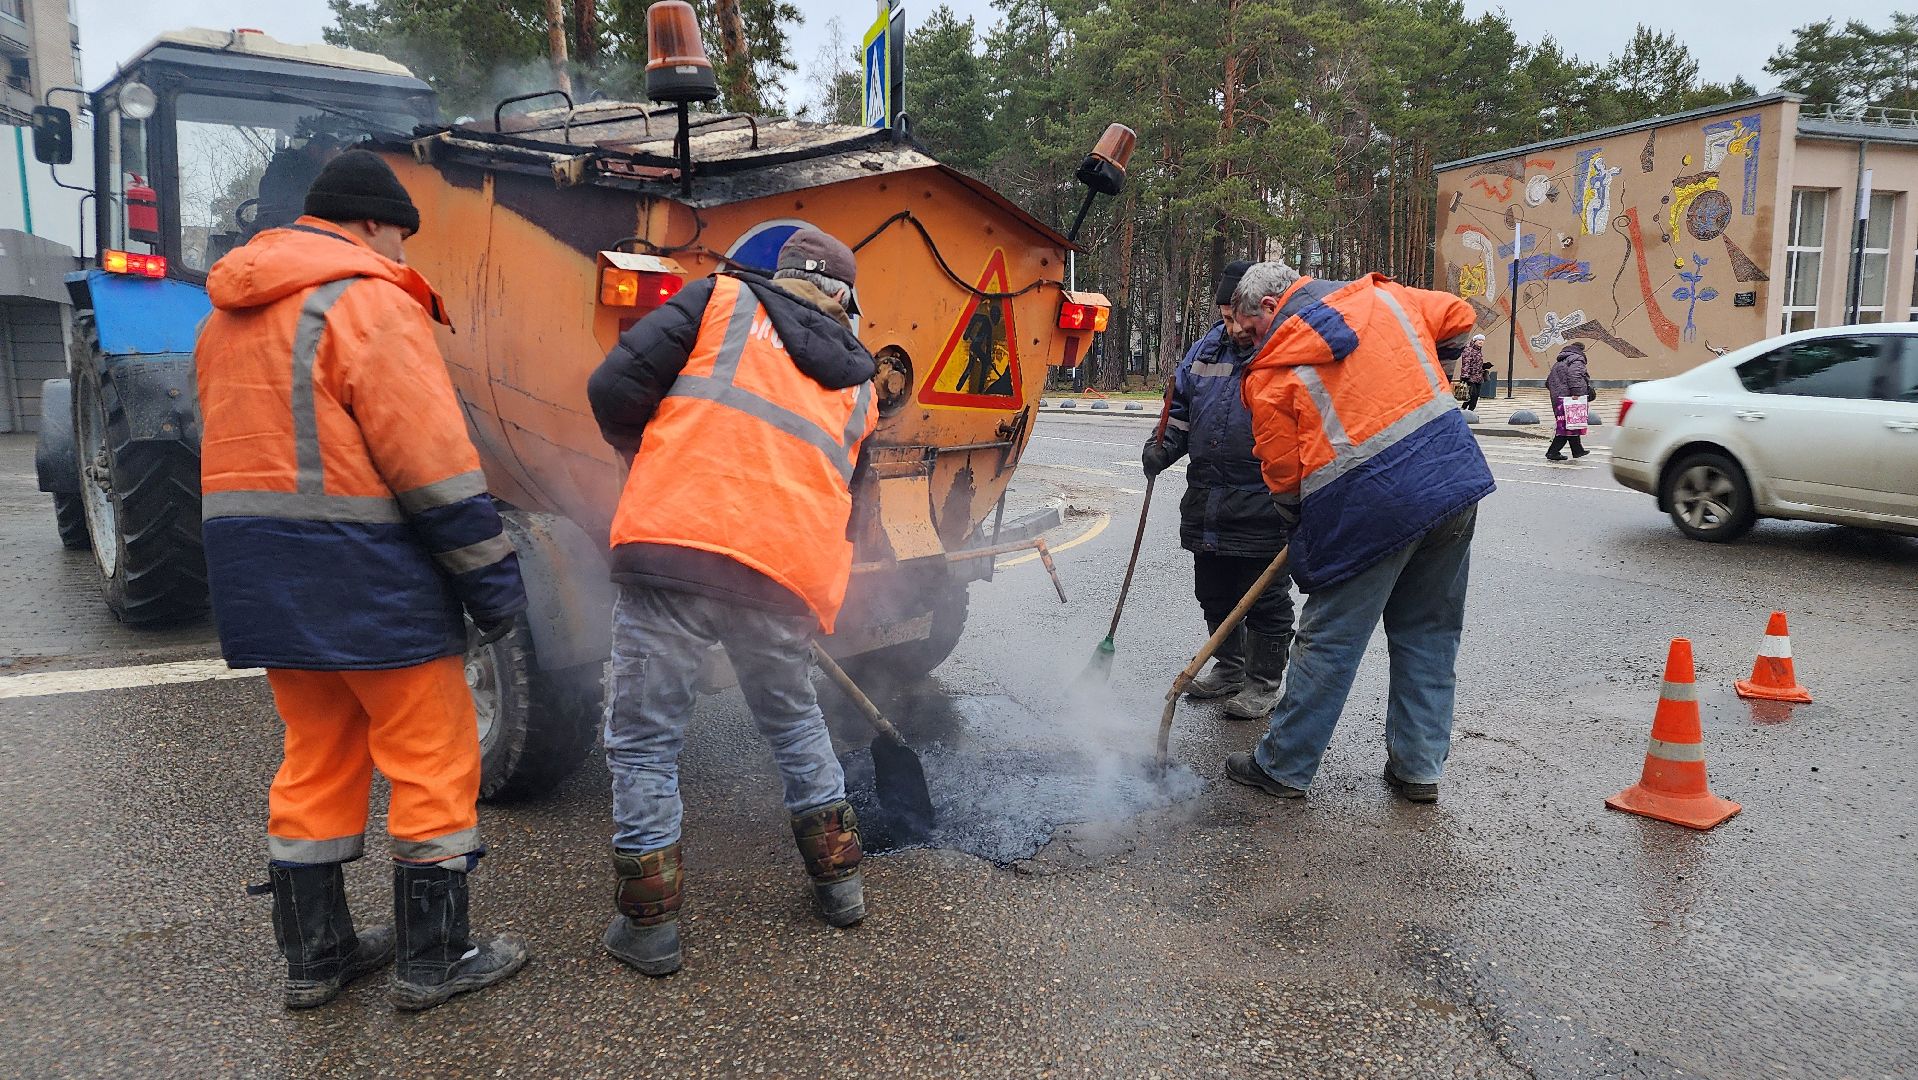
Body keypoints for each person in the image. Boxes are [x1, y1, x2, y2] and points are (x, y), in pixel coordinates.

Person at [195, 151, 530, 1010]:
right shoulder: (368, 301)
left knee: (316, 756)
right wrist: (494, 588)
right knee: (431, 759)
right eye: (403, 237)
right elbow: (435, 469)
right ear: (375, 225)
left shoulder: (225, 317)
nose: (406, 257)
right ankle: (434, 960)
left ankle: (318, 956)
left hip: (262, 581)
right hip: (367, 577)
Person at [586, 228, 879, 978]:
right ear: (845, 301)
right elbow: (854, 502)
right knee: (792, 718)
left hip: (675, 550)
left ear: (781, 276)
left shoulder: (716, 301)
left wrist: (655, 459)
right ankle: (841, 885)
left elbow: (612, 390)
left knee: (646, 738)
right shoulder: (861, 381)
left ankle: (650, 929)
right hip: (782, 575)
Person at [1220, 260, 1494, 804]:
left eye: (1249, 328)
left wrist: (1297, 527)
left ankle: (1283, 766)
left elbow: (1281, 476)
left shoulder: (1271, 373)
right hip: (1450, 479)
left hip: (1367, 511)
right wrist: (1434, 377)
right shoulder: (1384, 298)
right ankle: (1418, 770)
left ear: (1272, 307)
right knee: (1430, 634)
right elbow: (1461, 316)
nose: (1245, 340)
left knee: (1328, 639)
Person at [1142, 259, 1295, 719]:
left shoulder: (1283, 349)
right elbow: (1181, 412)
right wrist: (1161, 447)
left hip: (1265, 503)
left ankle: (1263, 682)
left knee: (1266, 599)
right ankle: (1228, 669)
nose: (1233, 329)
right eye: (1225, 317)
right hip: (1208, 499)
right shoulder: (1205, 351)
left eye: (1238, 318)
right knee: (1213, 591)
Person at [1545, 342, 1596, 460]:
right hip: (1570, 397)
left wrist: (1557, 393)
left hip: (1559, 397)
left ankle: (1577, 450)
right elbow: (1575, 376)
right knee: (1568, 426)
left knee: (1571, 424)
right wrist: (1576, 393)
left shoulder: (1559, 362)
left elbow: (1548, 382)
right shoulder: (1577, 360)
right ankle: (1552, 452)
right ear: (1580, 350)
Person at [1459, 333, 1489, 411]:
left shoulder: (1478, 350)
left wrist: (1484, 366)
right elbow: (1466, 363)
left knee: (1475, 395)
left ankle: (1466, 408)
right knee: (1473, 395)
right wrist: (1465, 376)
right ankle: (1469, 410)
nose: (1481, 342)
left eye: (1482, 340)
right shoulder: (1469, 350)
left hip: (1478, 377)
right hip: (1470, 377)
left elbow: (1476, 363)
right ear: (1475, 340)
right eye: (1479, 340)